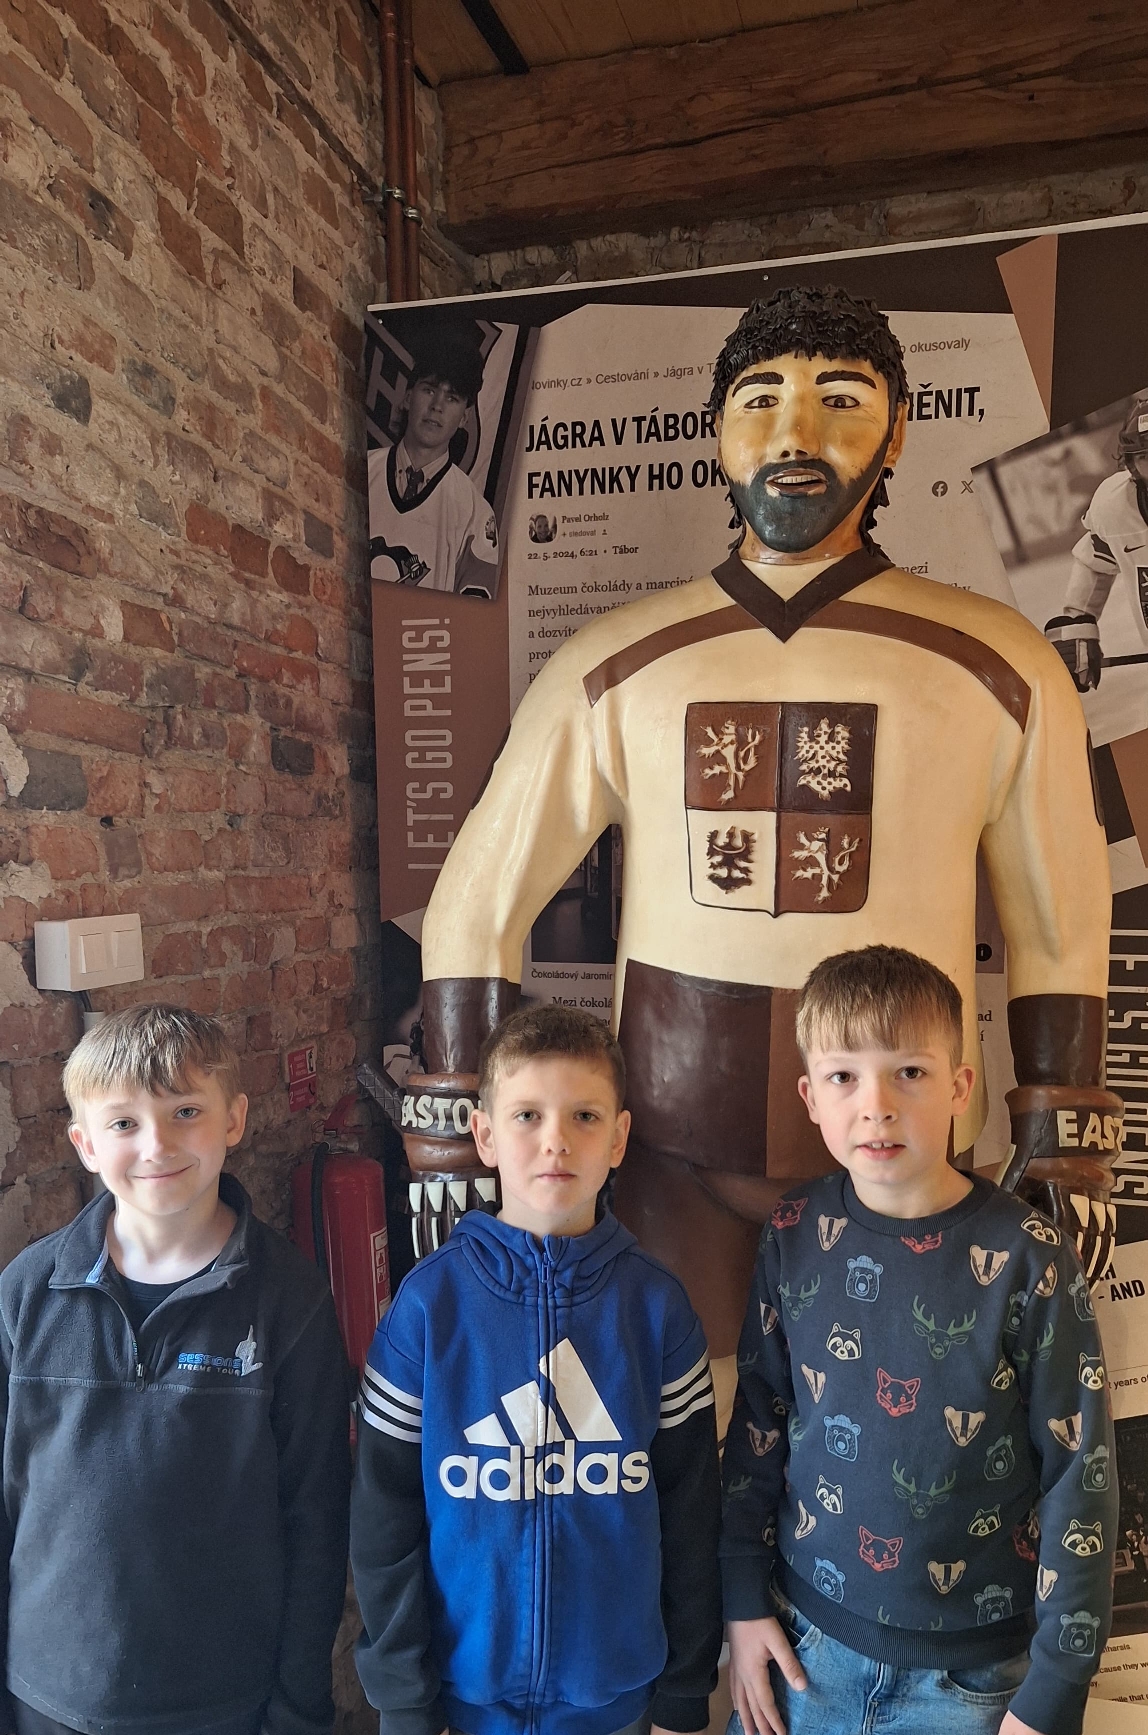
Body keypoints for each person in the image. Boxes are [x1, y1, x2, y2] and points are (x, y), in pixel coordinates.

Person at [396, 284, 1119, 1434]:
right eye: (759, 400)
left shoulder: (998, 664)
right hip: (665, 1141)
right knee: (675, 1427)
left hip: (898, 1148)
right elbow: (477, 901)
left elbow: (1058, 918)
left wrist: (1063, 1123)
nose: (795, 432)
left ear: (895, 430)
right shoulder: (615, 663)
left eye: (840, 399)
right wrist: (454, 1121)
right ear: (716, 430)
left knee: (892, 1438)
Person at [714, 945, 1118, 1735]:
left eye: (907, 1072)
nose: (875, 1104)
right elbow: (758, 1426)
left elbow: (1081, 1479)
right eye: (844, 1076)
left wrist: (1056, 1687)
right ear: (810, 1096)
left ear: (961, 1087)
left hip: (972, 1692)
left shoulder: (1029, 1259)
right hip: (801, 1658)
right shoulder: (794, 1234)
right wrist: (741, 1604)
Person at [352, 1004, 722, 1735]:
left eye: (582, 1116)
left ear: (619, 1137)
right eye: (525, 1115)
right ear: (482, 1134)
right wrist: (401, 1701)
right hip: (463, 1705)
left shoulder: (656, 1313)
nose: (554, 1139)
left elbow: (692, 1512)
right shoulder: (426, 1311)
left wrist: (683, 1690)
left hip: (610, 1702)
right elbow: (381, 1523)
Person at [0, 1005, 352, 1735]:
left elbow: (315, 1512)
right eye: (124, 1123)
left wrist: (299, 1708)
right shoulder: (27, 1296)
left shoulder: (287, 1300)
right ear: (83, 1141)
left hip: (217, 1709)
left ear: (234, 1119)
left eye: (185, 1112)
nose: (155, 1145)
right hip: (58, 1705)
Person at [368, 333, 500, 597]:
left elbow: (476, 614)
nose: (437, 406)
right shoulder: (360, 470)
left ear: (464, 417)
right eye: (429, 390)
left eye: (452, 398)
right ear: (408, 398)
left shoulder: (475, 512)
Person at [1046, 391, 1148, 690]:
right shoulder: (1115, 507)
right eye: (1146, 457)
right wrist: (1078, 624)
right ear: (1131, 464)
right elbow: (1096, 561)